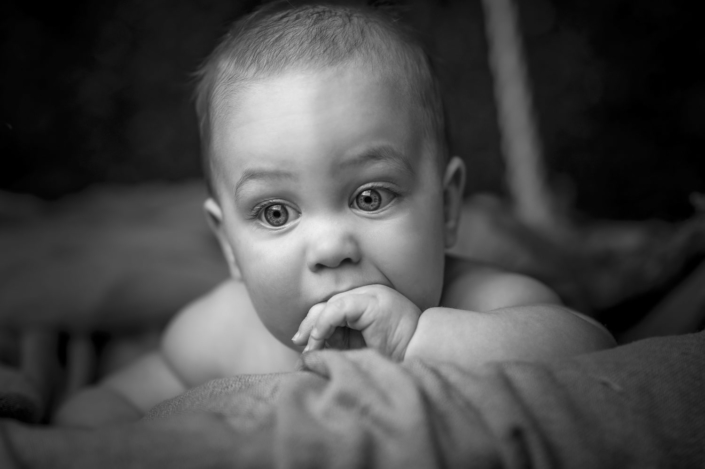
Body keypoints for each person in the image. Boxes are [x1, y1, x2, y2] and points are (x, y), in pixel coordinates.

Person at [53, 1, 615, 427]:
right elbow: (115, 403)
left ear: (446, 207)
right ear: (228, 245)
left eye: (370, 197)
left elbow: (593, 354)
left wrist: (417, 341)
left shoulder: (485, 307)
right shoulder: (223, 332)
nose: (329, 248)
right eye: (275, 212)